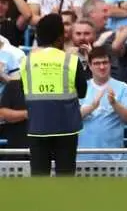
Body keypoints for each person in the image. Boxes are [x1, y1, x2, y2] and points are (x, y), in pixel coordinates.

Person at [20, 13, 88, 176]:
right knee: (65, 178)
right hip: (66, 128)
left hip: (37, 127)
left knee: (39, 177)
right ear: (60, 38)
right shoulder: (71, 60)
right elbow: (83, 92)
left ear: (38, 36)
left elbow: (25, 91)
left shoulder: (26, 61)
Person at [77, 46, 127, 160]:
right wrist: (91, 107)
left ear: (110, 64)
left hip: (112, 158)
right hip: (83, 158)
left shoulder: (123, 88)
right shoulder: (81, 87)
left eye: (105, 62)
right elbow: (70, 118)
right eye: (97, 63)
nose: (102, 67)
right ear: (89, 66)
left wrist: (115, 104)